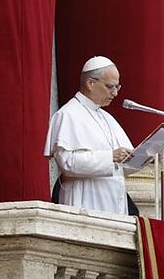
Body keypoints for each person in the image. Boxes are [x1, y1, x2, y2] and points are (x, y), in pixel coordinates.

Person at [43, 55, 138, 215]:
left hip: (113, 202)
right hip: (86, 199)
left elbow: (121, 167)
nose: (115, 93)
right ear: (90, 83)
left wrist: (139, 158)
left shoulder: (107, 118)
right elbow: (68, 163)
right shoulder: (68, 114)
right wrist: (110, 157)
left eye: (117, 87)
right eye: (110, 86)